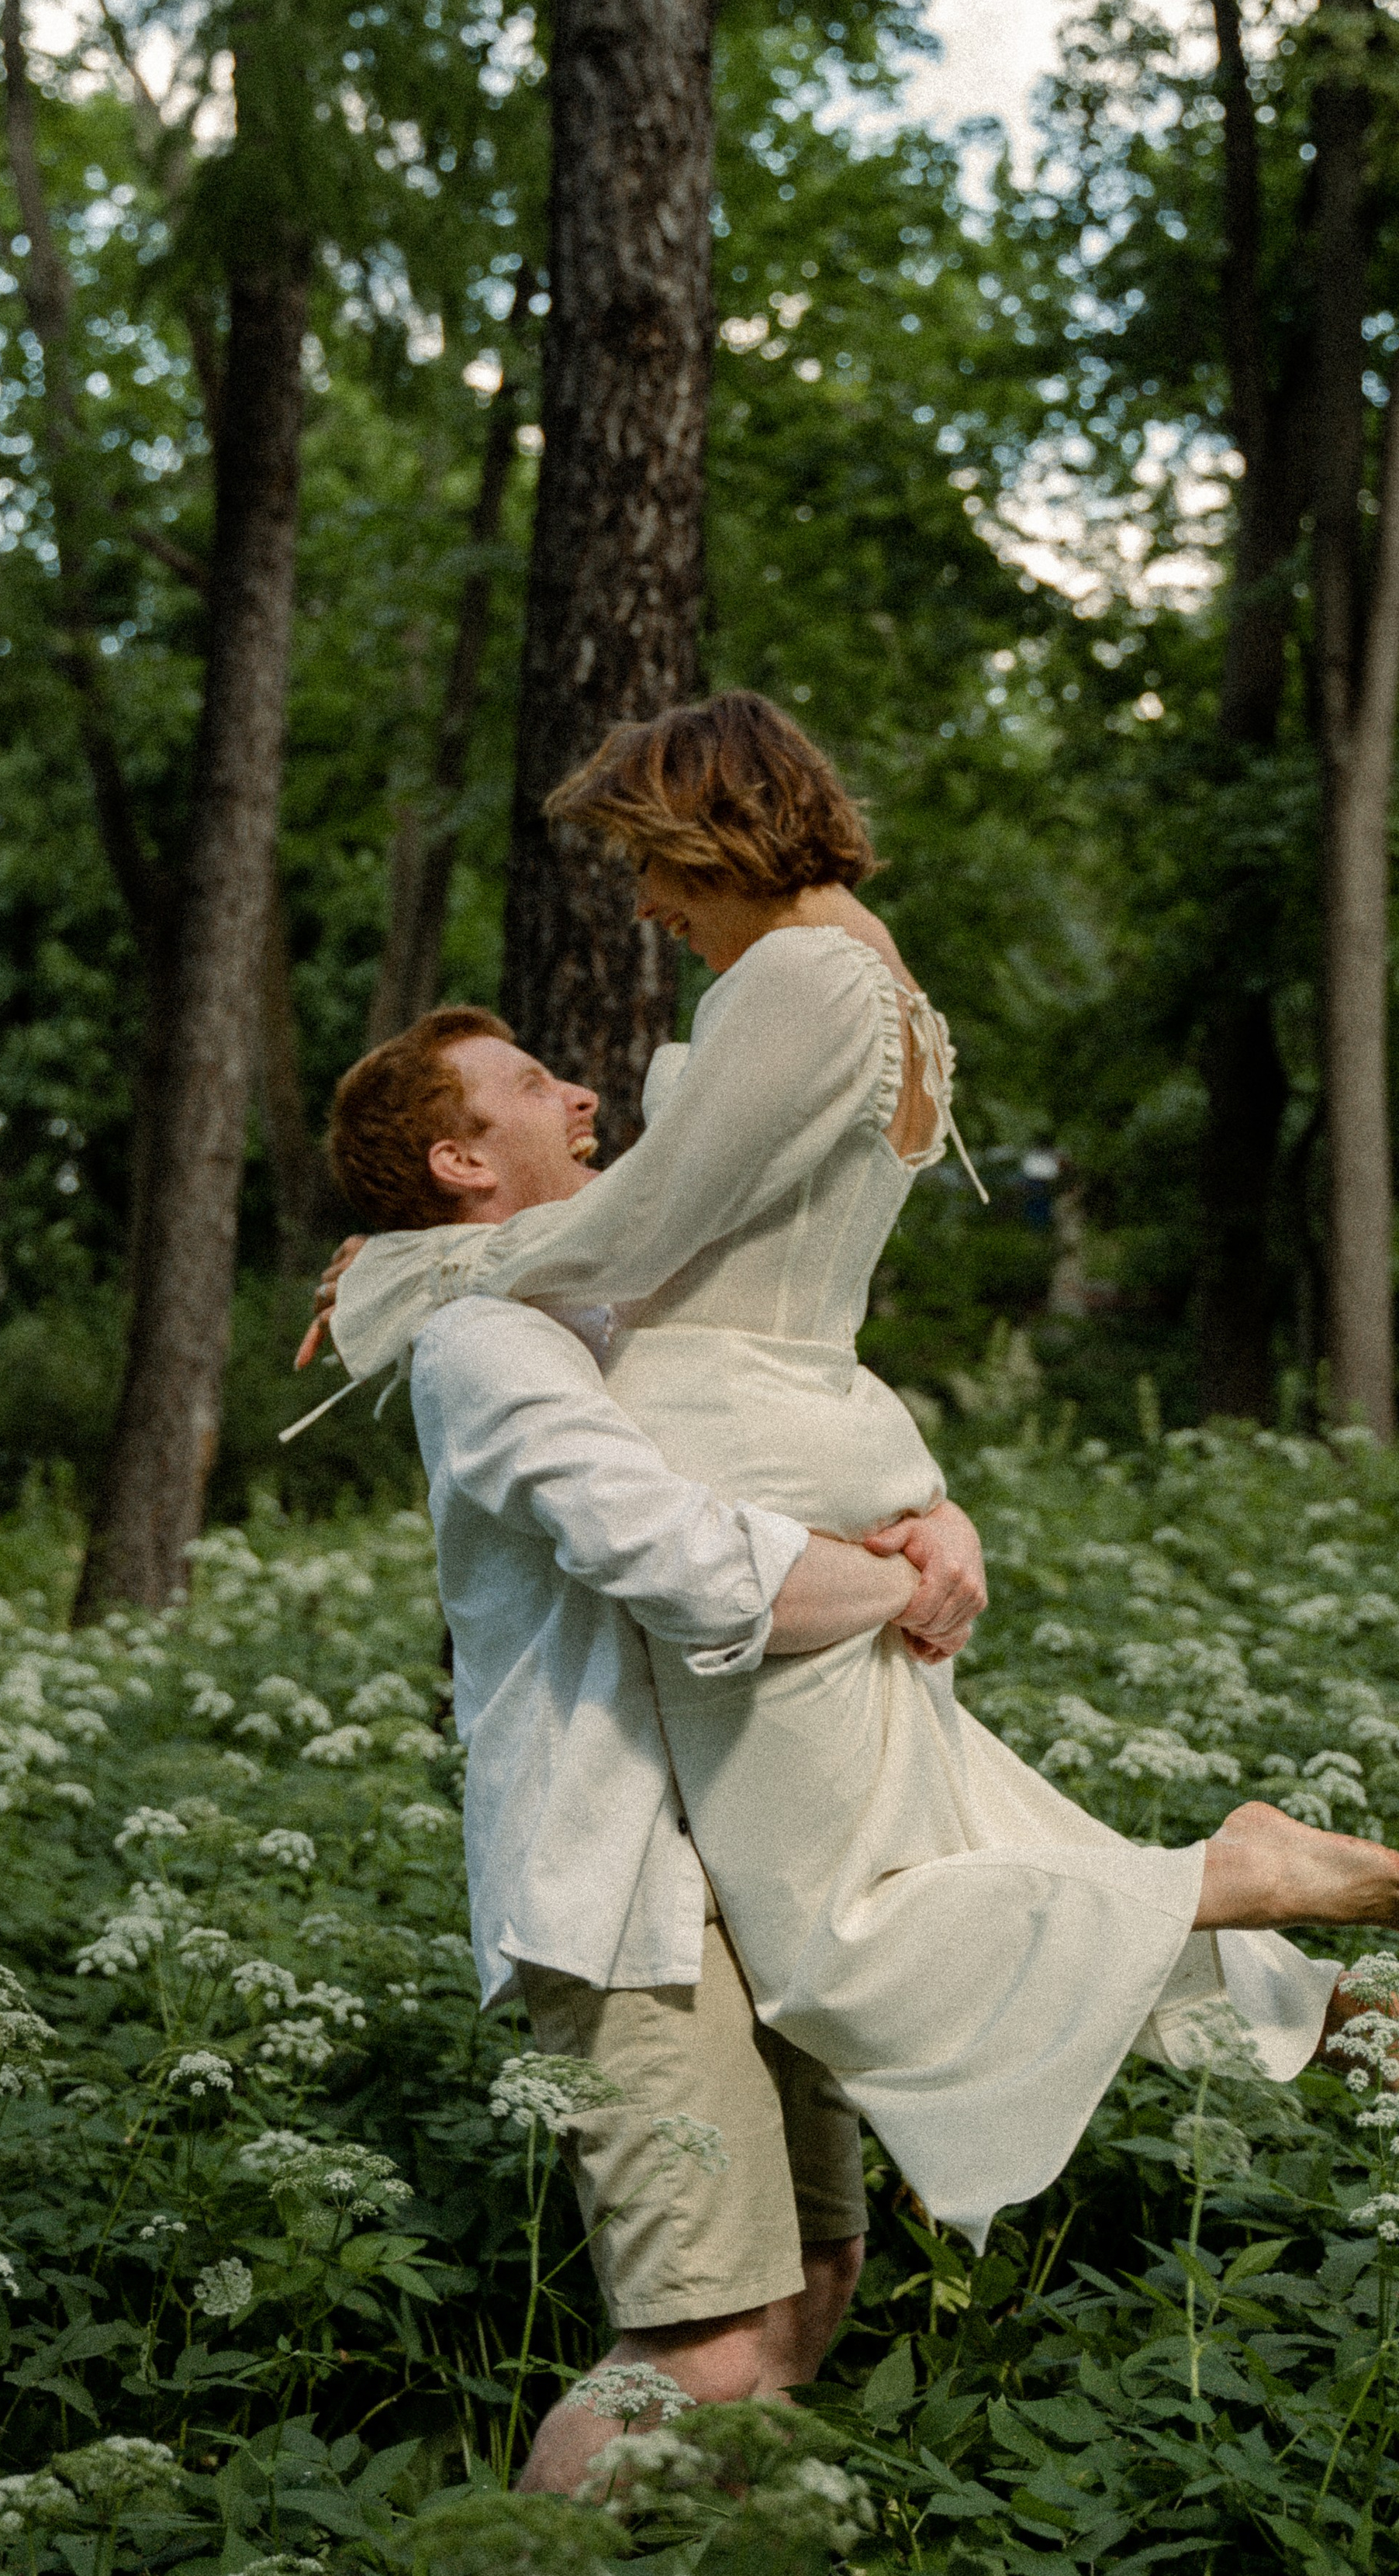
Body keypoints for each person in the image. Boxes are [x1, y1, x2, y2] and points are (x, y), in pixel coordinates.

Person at [316, 694, 1399, 2248]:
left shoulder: (797, 979)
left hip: (732, 1446)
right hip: (821, 1422)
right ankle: (1335, 2021)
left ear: (707, 830)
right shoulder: (877, 979)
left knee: (829, 1944)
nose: (646, 908)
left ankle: (1221, 1872)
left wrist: (403, 1278)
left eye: (648, 866)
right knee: (971, 1848)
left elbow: (637, 1230)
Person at [313, 1007, 988, 2493]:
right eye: (531, 1086)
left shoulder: (614, 1317)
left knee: (813, 2282)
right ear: (457, 1158)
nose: (583, 1092)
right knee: (700, 2342)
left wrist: (931, 1519)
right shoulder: (484, 1346)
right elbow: (670, 1550)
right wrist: (893, 1589)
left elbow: (792, 1418)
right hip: (628, 1895)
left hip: (762, 1848)